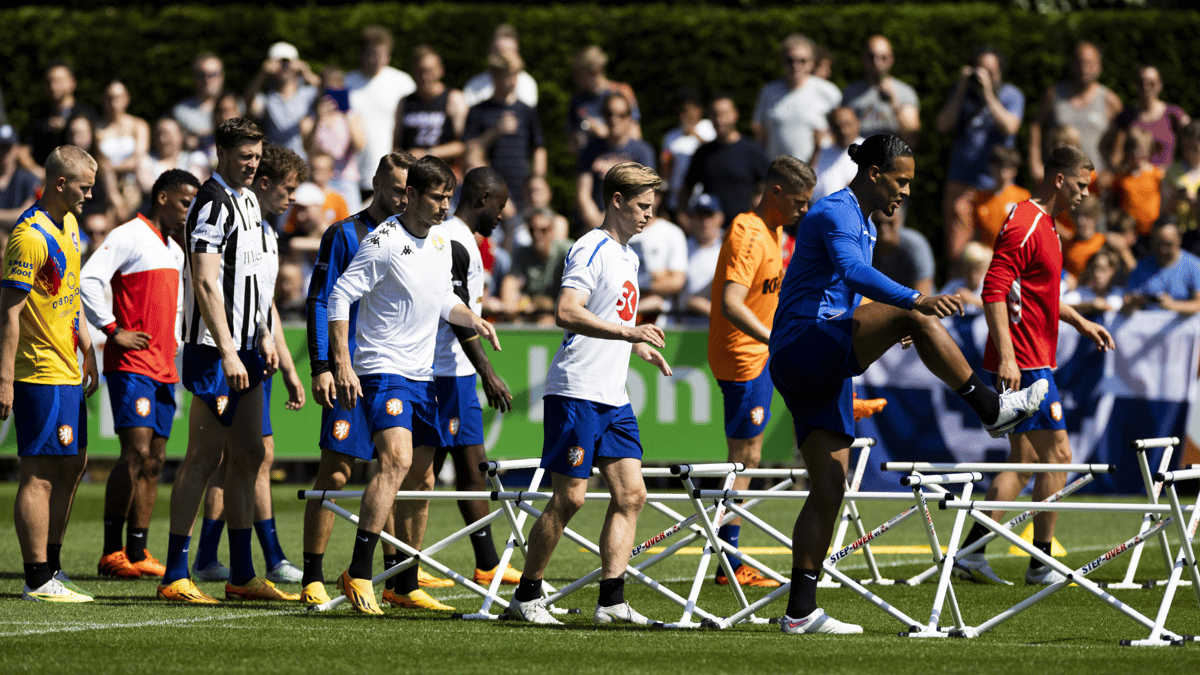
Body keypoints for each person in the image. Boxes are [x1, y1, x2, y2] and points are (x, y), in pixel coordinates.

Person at [769, 134, 1048, 634]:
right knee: (914, 317)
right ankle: (991, 410)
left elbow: (838, 290)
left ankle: (800, 612)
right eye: (901, 180)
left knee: (829, 488)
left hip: (818, 352)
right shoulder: (836, 212)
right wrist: (910, 304)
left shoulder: (866, 222)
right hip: (803, 346)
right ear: (874, 174)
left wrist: (885, 323)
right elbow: (852, 274)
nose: (907, 191)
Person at [327, 156, 500, 615]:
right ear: (412, 196)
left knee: (420, 477)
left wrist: (474, 319)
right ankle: (359, 572)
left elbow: (444, 297)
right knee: (396, 460)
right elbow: (339, 295)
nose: (445, 206)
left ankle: (403, 581)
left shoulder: (442, 242)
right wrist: (342, 363)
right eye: (438, 197)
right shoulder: (383, 240)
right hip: (383, 368)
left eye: (449, 197)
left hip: (425, 374)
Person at [506, 162, 670, 626]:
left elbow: (608, 317)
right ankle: (527, 595)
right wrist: (626, 331)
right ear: (616, 201)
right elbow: (566, 310)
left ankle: (612, 600)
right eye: (641, 205)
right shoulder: (590, 247)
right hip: (576, 389)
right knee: (570, 498)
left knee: (631, 494)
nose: (648, 215)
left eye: (652, 206)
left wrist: (637, 344)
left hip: (612, 396)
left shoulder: (629, 256)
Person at [953, 145, 1114, 586]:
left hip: (1032, 358)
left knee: (1024, 460)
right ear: (1060, 179)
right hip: (1025, 363)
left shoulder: (1048, 225)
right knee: (1058, 455)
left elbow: (1042, 293)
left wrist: (1079, 321)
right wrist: (1006, 356)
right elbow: (993, 289)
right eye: (1082, 184)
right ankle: (1042, 563)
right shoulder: (1025, 221)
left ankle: (971, 552)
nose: (1085, 193)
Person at [156, 118, 297, 604]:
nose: (252, 162)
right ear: (220, 152)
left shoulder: (246, 202)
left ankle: (241, 575)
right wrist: (230, 349)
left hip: (247, 350)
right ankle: (175, 573)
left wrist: (262, 336)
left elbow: (254, 282)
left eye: (256, 155)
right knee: (204, 457)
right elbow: (206, 281)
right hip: (216, 352)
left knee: (251, 455)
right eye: (244, 155)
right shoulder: (212, 203)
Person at [300, 151, 414, 606]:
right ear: (376, 183)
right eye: (396, 188)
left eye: (409, 189)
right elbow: (321, 299)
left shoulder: (412, 238)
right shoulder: (344, 234)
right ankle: (312, 575)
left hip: (394, 370)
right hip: (349, 371)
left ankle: (388, 579)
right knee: (339, 469)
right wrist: (323, 365)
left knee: (390, 469)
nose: (403, 197)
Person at [402, 167, 522, 598]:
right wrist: (488, 371)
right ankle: (399, 567)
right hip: (441, 370)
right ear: (484, 198)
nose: (502, 216)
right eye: (501, 205)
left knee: (467, 466)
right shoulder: (453, 240)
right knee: (423, 473)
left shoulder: (465, 240)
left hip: (456, 372)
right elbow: (452, 315)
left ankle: (482, 563)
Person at [82, 169, 199, 579]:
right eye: (186, 202)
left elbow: (179, 307)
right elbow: (89, 277)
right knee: (134, 453)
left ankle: (138, 551)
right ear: (163, 198)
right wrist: (113, 330)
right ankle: (111, 552)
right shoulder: (130, 233)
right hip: (132, 365)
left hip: (166, 366)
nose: (190, 211)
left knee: (156, 461)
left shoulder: (176, 249)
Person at [708, 156, 815, 588]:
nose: (804, 210)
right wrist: (773, 339)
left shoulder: (775, 231)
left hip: (761, 352)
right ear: (775, 193)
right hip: (743, 355)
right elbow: (732, 303)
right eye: (799, 201)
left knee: (747, 457)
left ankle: (726, 555)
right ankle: (726, 558)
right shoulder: (748, 234)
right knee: (743, 458)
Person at [1, 145, 99, 602]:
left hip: (68, 364)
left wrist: (87, 345)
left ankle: (51, 565)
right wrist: (5, 379)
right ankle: (36, 578)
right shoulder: (30, 235)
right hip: (38, 370)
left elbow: (70, 294)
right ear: (60, 184)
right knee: (38, 472)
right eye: (84, 187)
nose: (90, 195)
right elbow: (10, 313)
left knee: (74, 463)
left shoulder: (71, 225)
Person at [937, 46, 1024, 268]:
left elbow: (1010, 127)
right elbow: (942, 125)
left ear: (1001, 73)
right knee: (959, 256)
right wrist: (961, 89)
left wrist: (988, 94)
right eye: (980, 71)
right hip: (961, 184)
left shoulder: (1011, 94)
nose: (984, 77)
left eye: (991, 72)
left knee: (999, 254)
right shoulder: (963, 91)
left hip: (995, 186)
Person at [463, 51, 545, 214]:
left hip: (523, 189)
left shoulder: (526, 110)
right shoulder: (478, 111)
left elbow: (538, 147)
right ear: (493, 76)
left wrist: (538, 179)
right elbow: (470, 149)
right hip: (490, 191)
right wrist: (496, 131)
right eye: (506, 76)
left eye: (515, 75)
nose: (512, 81)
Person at [1029, 42, 1121, 184]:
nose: (1084, 69)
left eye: (1090, 64)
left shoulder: (1109, 100)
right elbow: (1036, 125)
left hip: (1094, 183)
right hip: (1058, 180)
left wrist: (1112, 169)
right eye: (1080, 63)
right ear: (1072, 65)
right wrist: (1035, 164)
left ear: (1099, 66)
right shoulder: (1055, 94)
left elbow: (1122, 136)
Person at [347, 25, 416, 198]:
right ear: (361, 54)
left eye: (383, 54)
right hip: (352, 172)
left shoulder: (403, 83)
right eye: (373, 54)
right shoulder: (347, 84)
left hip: (392, 170)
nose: (378, 59)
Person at [751, 33, 841, 164]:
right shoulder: (768, 92)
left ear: (812, 63)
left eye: (802, 61)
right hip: (779, 173)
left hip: (818, 174)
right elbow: (760, 133)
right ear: (782, 61)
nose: (796, 65)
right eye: (790, 60)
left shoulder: (828, 92)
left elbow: (842, 130)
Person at [681, 93, 768, 227]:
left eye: (724, 114)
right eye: (715, 114)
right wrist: (685, 221)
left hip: (745, 232)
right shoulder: (703, 153)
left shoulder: (752, 151)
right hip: (711, 236)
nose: (719, 120)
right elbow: (686, 189)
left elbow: (769, 185)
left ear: (735, 115)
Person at [304, 67, 365, 214]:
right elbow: (306, 147)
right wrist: (319, 119)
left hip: (346, 180)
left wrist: (346, 115)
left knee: (352, 227)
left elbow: (359, 147)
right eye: (328, 92)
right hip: (318, 179)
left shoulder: (353, 117)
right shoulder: (310, 119)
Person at [244, 42, 321, 160]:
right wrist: (262, 74)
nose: (284, 66)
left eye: (287, 62)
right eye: (279, 62)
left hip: (304, 163)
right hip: (276, 165)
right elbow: (248, 103)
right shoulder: (267, 98)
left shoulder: (309, 93)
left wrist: (307, 73)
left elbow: (330, 93)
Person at [1106, 65, 1191, 171]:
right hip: (1134, 182)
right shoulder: (1126, 116)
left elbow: (1194, 136)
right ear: (1135, 85)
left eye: (1151, 83)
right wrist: (1115, 170)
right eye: (1141, 82)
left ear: (1160, 85)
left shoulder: (1174, 114)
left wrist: (1185, 170)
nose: (1146, 87)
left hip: (1164, 181)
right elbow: (1105, 145)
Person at [841, 35, 921, 147]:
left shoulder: (905, 92)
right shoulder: (850, 92)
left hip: (893, 159)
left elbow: (912, 138)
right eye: (871, 57)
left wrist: (893, 102)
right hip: (860, 158)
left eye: (883, 57)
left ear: (891, 59)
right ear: (863, 58)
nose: (877, 63)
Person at [395, 45, 467, 165]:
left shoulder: (453, 98)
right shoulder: (405, 102)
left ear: (441, 70)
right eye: (420, 71)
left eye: (429, 71)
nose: (424, 76)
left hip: (444, 174)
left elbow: (464, 144)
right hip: (412, 174)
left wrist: (427, 153)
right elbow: (397, 145)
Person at [566, 45, 641, 156]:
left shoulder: (622, 92)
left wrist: (605, 133)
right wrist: (576, 142)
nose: (574, 78)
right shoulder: (577, 101)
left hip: (619, 163)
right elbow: (571, 147)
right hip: (590, 165)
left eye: (578, 73)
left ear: (594, 71)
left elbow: (636, 138)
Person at [501, 207, 570, 325]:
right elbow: (510, 281)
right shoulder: (522, 253)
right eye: (532, 230)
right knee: (511, 322)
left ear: (552, 231)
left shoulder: (567, 252)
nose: (537, 235)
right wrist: (510, 305)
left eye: (543, 230)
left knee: (546, 322)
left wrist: (541, 302)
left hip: (559, 314)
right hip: (531, 312)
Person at [628, 187, 688, 317]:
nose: (645, 201)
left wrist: (642, 282)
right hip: (623, 317)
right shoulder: (622, 232)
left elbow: (677, 282)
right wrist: (656, 276)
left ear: (659, 198)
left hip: (662, 319)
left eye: (651, 195)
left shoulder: (672, 232)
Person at [27, 61, 97, 168]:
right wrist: (41, 174)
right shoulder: (38, 115)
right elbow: (23, 151)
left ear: (72, 83)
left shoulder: (87, 114)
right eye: (49, 81)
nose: (53, 86)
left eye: (58, 81)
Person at [660, 87, 716, 219]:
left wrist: (694, 134)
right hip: (677, 200)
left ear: (699, 110)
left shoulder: (710, 128)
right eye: (680, 111)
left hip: (704, 198)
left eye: (687, 110)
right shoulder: (670, 137)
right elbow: (666, 164)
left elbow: (714, 153)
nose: (683, 115)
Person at [1123, 220, 1200, 315]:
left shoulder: (1194, 266)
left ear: (1179, 239)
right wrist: (1133, 303)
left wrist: (1173, 305)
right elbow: (1125, 306)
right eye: (1158, 244)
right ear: (1151, 240)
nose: (1163, 249)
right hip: (1147, 326)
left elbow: (1198, 303)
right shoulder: (1140, 267)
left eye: (1168, 244)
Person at [96, 80, 150, 214]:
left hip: (134, 182)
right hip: (104, 185)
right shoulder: (96, 129)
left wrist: (111, 169)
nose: (114, 103)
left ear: (127, 99)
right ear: (103, 100)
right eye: (110, 98)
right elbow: (98, 161)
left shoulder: (139, 125)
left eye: (118, 98)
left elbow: (139, 158)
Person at [462, 24, 539, 109]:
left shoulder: (527, 84)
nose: (505, 57)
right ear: (489, 51)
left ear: (517, 53)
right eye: (499, 52)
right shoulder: (474, 86)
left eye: (510, 52)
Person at [677, 193, 725, 326]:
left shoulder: (730, 248)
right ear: (691, 219)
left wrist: (704, 307)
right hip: (681, 323)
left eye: (709, 215)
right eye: (699, 216)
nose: (704, 221)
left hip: (717, 325)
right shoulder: (681, 246)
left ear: (720, 218)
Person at [971, 146, 1030, 249]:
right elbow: (976, 233)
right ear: (991, 166)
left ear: (1014, 170)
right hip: (987, 257)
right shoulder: (980, 198)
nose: (1002, 171)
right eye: (998, 165)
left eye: (1007, 167)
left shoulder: (1023, 196)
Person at [136, 117, 210, 199]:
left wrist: (164, 189)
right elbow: (145, 185)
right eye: (158, 134)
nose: (162, 139)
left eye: (167, 134)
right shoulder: (146, 159)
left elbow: (196, 184)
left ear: (180, 135)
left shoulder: (195, 158)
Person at [1112, 128, 1164, 236]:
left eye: (1141, 149)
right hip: (1129, 231)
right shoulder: (1121, 177)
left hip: (1153, 230)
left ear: (1149, 150)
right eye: (1133, 149)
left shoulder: (1157, 174)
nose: (1137, 153)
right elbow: (1112, 202)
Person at [871, 208, 935, 296]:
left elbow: (923, 294)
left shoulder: (915, 245)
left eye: (890, 222)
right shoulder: (867, 246)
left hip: (914, 304)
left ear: (900, 220)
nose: (883, 228)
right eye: (878, 223)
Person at [173, 53, 228, 151]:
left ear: (222, 76)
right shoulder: (181, 110)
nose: (207, 79)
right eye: (201, 75)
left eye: (213, 74)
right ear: (193, 77)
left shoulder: (236, 104)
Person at [811, 106, 865, 202]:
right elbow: (806, 183)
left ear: (857, 123)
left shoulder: (870, 149)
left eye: (847, 125)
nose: (843, 131)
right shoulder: (823, 151)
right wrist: (816, 150)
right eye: (837, 127)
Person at [0, 124, 40, 236]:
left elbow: (27, 214)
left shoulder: (28, 179)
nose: (3, 153)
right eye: (1, 147)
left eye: (7, 148)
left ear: (17, 149)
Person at [939, 241, 992, 315]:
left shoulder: (991, 288)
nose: (973, 275)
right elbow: (937, 303)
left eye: (978, 270)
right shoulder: (954, 286)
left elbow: (997, 307)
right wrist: (951, 300)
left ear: (987, 270)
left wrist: (971, 299)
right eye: (969, 269)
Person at [1063, 195, 1106, 281]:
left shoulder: (1104, 243)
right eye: (1077, 215)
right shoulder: (1066, 246)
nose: (1081, 221)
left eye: (1087, 215)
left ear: (1096, 217)